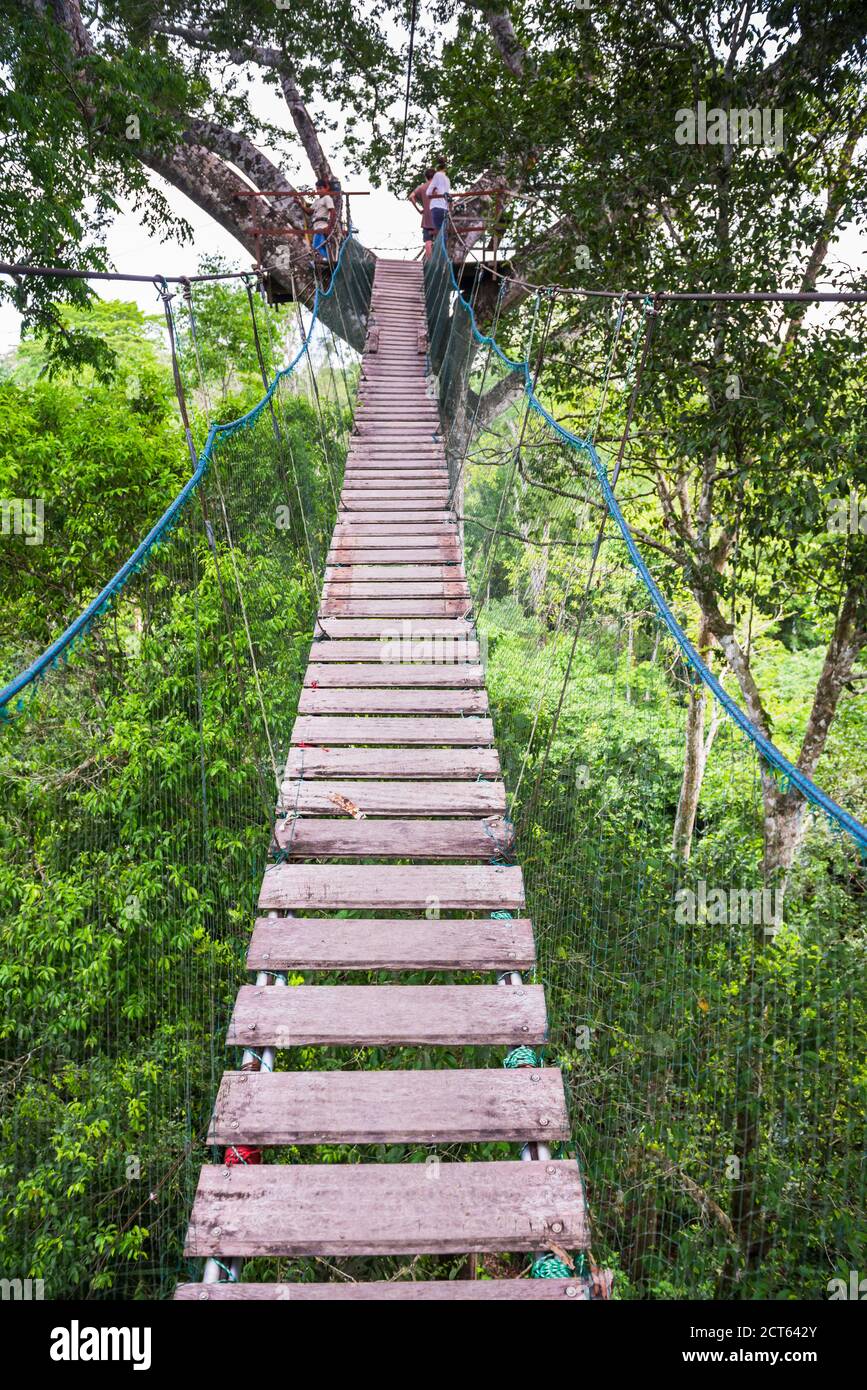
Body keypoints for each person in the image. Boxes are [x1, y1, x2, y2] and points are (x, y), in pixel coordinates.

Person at [408, 166, 435, 258]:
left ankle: (430, 262)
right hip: (439, 217)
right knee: (442, 239)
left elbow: (411, 197)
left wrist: (419, 210)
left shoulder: (422, 187)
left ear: (426, 177)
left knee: (428, 241)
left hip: (427, 219)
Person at [309, 176, 336, 261]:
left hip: (323, 226)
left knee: (317, 246)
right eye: (317, 189)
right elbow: (309, 211)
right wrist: (300, 204)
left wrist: (330, 227)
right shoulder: (317, 201)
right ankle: (326, 260)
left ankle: (325, 260)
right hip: (316, 226)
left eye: (320, 188)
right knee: (318, 246)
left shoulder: (327, 198)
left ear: (326, 188)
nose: (318, 191)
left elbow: (332, 212)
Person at [426, 158, 451, 241]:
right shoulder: (447, 179)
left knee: (440, 232)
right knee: (444, 231)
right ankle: (444, 250)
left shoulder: (437, 175)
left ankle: (441, 251)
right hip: (445, 208)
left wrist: (434, 191)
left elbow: (428, 192)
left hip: (436, 207)